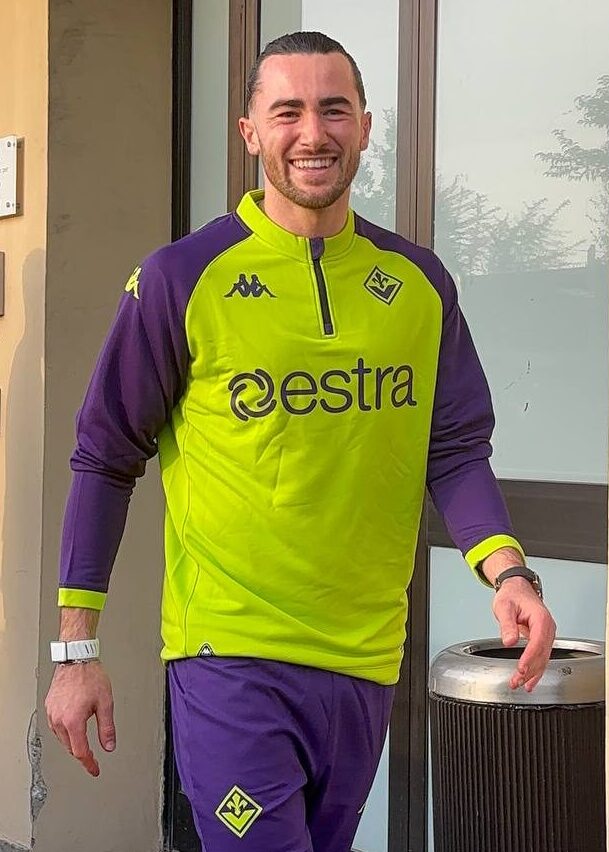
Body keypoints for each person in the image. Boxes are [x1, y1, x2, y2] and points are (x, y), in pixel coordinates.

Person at [45, 31, 556, 852]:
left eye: (333, 109)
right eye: (286, 112)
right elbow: (104, 457)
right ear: (249, 131)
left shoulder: (419, 284)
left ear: (365, 127)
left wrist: (508, 572)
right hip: (229, 655)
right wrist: (76, 651)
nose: (311, 133)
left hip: (364, 657)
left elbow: (455, 446)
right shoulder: (182, 277)